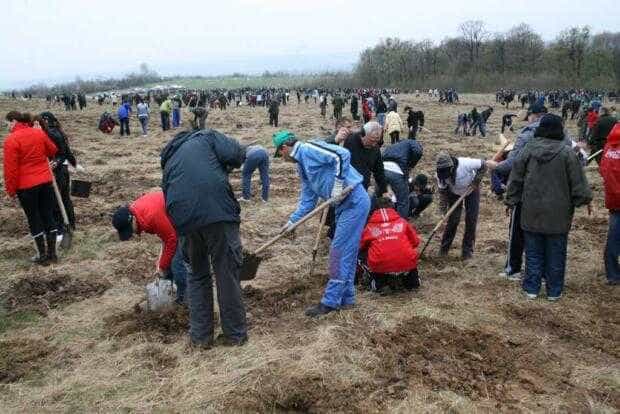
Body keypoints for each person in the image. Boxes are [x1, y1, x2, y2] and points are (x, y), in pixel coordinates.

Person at [161, 129, 247, 348]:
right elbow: (236, 155)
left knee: (197, 276)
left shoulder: (170, 159)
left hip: (183, 221)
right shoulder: (206, 137)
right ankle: (234, 335)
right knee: (226, 273)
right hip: (217, 212)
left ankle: (200, 338)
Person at [273, 130, 370, 317]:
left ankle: (330, 302)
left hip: (354, 200)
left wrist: (337, 185)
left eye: (280, 154)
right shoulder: (301, 167)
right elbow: (308, 201)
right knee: (347, 253)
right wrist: (293, 221)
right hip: (343, 206)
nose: (281, 158)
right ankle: (347, 298)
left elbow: (342, 155)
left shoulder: (308, 148)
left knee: (337, 251)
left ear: (284, 148)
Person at [505, 114, 592, 301]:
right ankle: (553, 291)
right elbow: (578, 182)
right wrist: (583, 200)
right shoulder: (567, 153)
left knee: (533, 251)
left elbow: (516, 178)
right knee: (556, 252)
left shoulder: (528, 150)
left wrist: (511, 200)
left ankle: (531, 288)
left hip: (531, 211)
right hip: (558, 215)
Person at [494, 103, 547, 279]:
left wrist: (496, 166)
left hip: (525, 190)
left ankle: (513, 268)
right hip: (552, 193)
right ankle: (544, 274)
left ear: (532, 115)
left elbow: (515, 164)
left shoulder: (527, 134)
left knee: (517, 230)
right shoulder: (562, 134)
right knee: (545, 233)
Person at [3, 111, 59, 265]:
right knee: (48, 215)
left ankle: (42, 255)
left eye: (7, 123)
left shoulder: (11, 140)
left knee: (34, 218)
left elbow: (10, 169)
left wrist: (11, 190)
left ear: (14, 121)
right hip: (45, 182)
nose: (7, 127)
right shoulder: (38, 133)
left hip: (26, 187)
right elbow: (53, 150)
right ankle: (53, 254)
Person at [112, 191, 188, 304]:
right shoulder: (137, 212)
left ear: (132, 219)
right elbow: (165, 236)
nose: (132, 233)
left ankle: (186, 301)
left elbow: (171, 239)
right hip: (170, 221)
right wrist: (161, 264)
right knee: (166, 263)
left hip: (184, 217)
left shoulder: (150, 216)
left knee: (177, 265)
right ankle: (168, 295)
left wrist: (161, 266)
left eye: (130, 230)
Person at [435, 151, 497, 260]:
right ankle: (444, 249)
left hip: (471, 190)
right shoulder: (440, 176)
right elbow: (443, 194)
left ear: (451, 168)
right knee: (453, 220)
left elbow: (483, 164)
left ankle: (467, 251)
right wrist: (443, 212)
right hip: (453, 193)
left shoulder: (465, 164)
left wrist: (476, 182)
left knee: (471, 220)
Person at [359, 197, 421, 294]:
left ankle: (379, 282)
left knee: (360, 254)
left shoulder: (370, 227)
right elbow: (416, 242)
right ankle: (412, 281)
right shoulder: (402, 222)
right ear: (393, 208)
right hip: (406, 262)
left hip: (380, 264)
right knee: (408, 255)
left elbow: (361, 246)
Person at [38, 112, 77, 235]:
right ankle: (71, 224)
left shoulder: (51, 133)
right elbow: (67, 151)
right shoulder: (58, 131)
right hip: (63, 169)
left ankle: (61, 228)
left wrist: (55, 162)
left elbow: (62, 152)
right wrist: (73, 163)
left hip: (58, 172)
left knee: (56, 200)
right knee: (65, 199)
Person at [599, 122, 620, 286]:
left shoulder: (608, 147)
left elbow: (602, 170)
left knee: (613, 238)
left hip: (614, 201)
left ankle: (612, 274)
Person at [382, 139, 423, 218]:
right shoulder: (413, 142)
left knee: (382, 198)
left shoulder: (394, 145)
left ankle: (379, 221)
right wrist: (411, 165)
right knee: (403, 202)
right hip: (396, 171)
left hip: (382, 170)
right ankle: (399, 225)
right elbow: (418, 152)